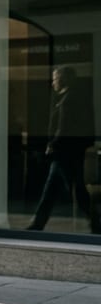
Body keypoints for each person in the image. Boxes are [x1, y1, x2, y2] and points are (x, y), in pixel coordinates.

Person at [26, 65, 99, 233]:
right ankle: (38, 223)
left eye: (55, 79)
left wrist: (52, 145)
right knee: (62, 190)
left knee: (72, 191)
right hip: (69, 152)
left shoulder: (68, 100)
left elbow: (63, 128)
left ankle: (97, 222)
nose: (52, 83)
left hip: (65, 153)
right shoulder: (69, 97)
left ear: (64, 80)